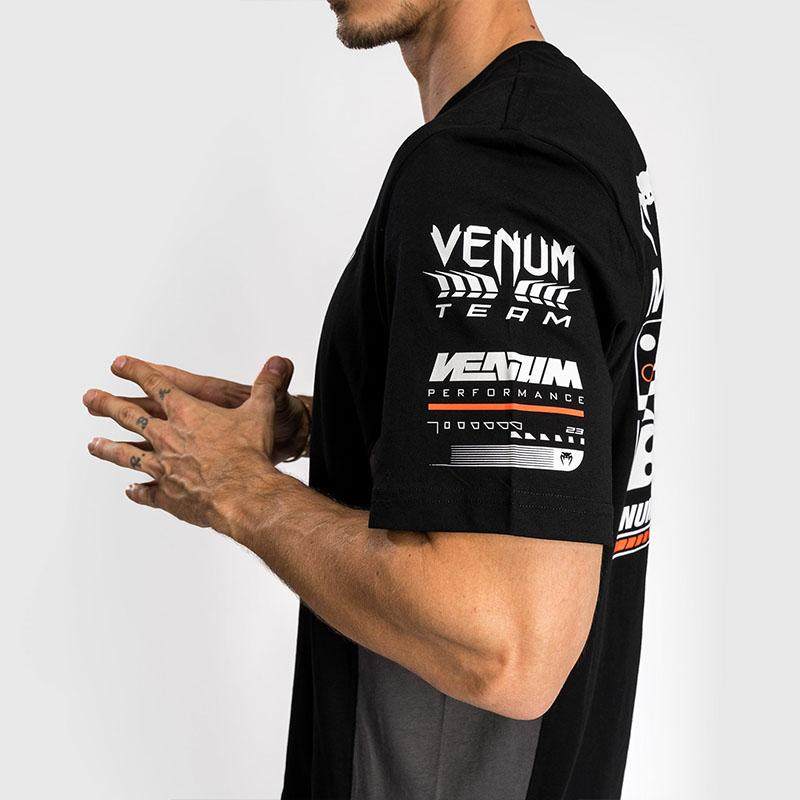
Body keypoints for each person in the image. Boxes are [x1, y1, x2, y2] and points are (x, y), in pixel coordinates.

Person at [83, 1, 663, 797]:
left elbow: (505, 647)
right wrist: (346, 419)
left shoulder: (497, 166)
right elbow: (549, 461)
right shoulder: (574, 129)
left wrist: (238, 490)